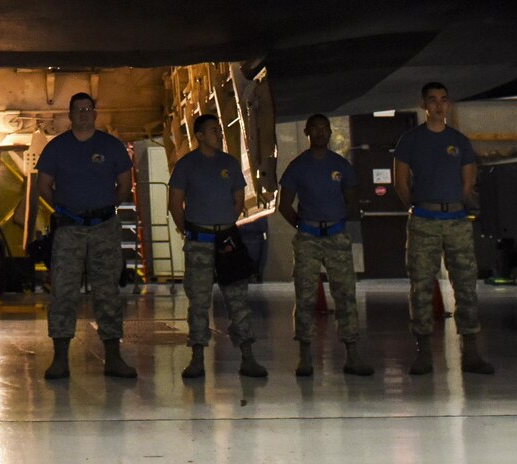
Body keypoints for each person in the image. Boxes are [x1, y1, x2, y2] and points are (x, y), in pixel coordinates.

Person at [34, 91, 137, 380]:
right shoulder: (57, 148)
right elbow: (44, 184)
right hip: (69, 229)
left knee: (107, 291)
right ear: (70, 114)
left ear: (94, 113)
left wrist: (106, 207)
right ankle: (60, 358)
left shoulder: (111, 145)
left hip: (104, 227)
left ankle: (114, 357)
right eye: (77, 109)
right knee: (63, 292)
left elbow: (125, 183)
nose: (83, 113)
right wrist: (63, 207)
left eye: (87, 108)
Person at [393, 80, 494, 376]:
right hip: (424, 220)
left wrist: (453, 207)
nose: (439, 105)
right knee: (421, 286)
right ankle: (424, 353)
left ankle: (471, 353)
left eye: (443, 99)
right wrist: (420, 206)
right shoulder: (410, 141)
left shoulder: (460, 141)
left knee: (465, 285)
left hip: (456, 221)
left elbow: (467, 183)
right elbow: (400, 183)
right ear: (424, 104)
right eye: (433, 100)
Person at [166, 113, 266, 380]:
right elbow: (175, 202)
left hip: (227, 241)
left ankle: (248, 356)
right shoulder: (186, 166)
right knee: (198, 302)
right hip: (199, 241)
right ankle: (197, 357)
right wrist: (187, 228)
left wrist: (226, 222)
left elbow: (238, 198)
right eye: (213, 130)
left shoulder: (230, 164)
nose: (219, 134)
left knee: (238, 301)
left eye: (219, 130)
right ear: (199, 136)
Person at [277, 114, 373, 378]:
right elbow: (284, 205)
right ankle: (305, 357)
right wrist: (303, 226)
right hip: (308, 236)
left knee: (345, 294)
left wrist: (338, 221)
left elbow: (351, 199)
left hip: (336, 237)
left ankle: (352, 354)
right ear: (307, 132)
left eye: (325, 128)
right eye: (315, 129)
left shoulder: (340, 165)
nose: (320, 133)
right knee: (305, 296)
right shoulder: (298, 166)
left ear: (330, 132)